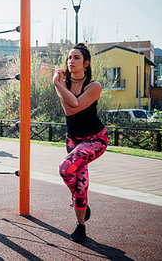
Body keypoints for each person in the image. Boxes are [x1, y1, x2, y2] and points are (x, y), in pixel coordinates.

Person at [53, 43, 108, 243]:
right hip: (73, 140)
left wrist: (57, 85)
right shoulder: (66, 84)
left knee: (65, 168)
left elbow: (74, 106)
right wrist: (62, 86)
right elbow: (68, 112)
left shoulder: (94, 86)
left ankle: (77, 200)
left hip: (95, 139)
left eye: (76, 58)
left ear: (86, 63)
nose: (71, 61)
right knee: (81, 184)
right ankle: (81, 226)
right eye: (69, 58)